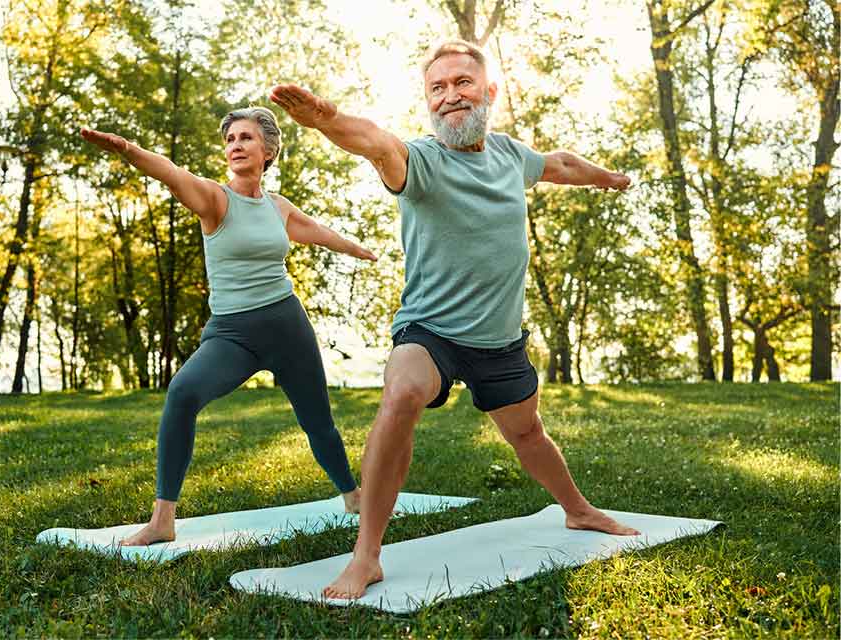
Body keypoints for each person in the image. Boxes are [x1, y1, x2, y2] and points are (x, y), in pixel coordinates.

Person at [270, 40, 640, 600]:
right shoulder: (420, 161)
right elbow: (375, 143)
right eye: (437, 88)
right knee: (402, 392)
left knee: (527, 432)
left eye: (462, 83)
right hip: (431, 332)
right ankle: (366, 554)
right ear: (428, 102)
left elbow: (561, 163)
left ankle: (579, 510)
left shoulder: (512, 156)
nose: (450, 97)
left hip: (498, 340)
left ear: (488, 92)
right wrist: (327, 120)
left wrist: (607, 177)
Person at [79, 107, 377, 546]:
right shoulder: (215, 200)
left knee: (318, 421)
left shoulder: (278, 207)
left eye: (246, 138)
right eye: (231, 139)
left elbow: (315, 231)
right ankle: (163, 520)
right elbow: (172, 174)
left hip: (287, 326)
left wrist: (357, 250)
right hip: (233, 334)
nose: (235, 145)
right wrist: (127, 149)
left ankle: (352, 496)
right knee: (182, 393)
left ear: (269, 150)